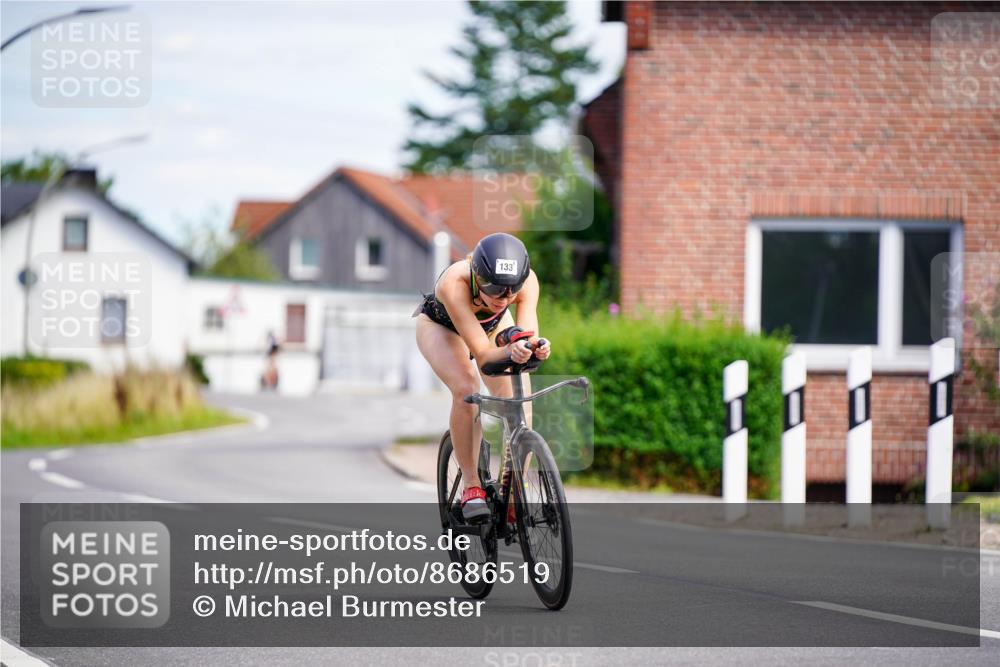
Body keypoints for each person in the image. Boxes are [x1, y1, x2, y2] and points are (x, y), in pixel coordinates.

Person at [413, 233, 550, 522]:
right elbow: (485, 357)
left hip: (491, 328)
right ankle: (472, 486)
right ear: (477, 275)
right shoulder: (455, 283)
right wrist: (512, 351)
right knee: (467, 388)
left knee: (519, 395)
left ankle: (515, 486)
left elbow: (524, 335)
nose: (504, 299)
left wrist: (534, 346)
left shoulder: (526, 282)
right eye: (495, 290)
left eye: (511, 293)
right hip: (443, 328)